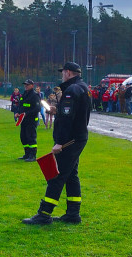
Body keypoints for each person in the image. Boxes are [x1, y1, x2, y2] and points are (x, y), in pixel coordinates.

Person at [23, 62, 92, 225]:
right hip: (79, 137)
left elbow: (68, 119)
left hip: (70, 140)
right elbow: (76, 112)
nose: (62, 75)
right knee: (71, 175)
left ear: (68, 72)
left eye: (63, 72)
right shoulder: (83, 88)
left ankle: (44, 214)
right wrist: (57, 110)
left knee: (57, 175)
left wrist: (60, 142)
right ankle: (73, 213)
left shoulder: (71, 90)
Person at [17, 79, 41, 161]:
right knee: (23, 137)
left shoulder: (35, 95)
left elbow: (37, 108)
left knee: (31, 137)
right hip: (23, 120)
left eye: (27, 84)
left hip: (31, 120)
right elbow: (21, 106)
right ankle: (27, 154)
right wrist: (18, 113)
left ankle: (32, 155)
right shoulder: (24, 94)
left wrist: (26, 113)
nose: (26, 86)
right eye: (25, 84)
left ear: (32, 85)